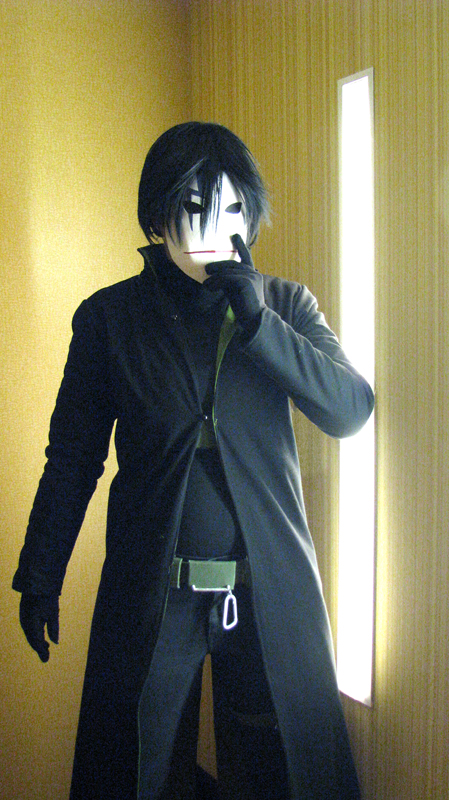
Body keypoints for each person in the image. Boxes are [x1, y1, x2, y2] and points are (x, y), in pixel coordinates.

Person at [13, 121, 374, 800]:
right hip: (154, 591)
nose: (215, 226)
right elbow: (72, 458)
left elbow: (350, 409)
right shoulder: (108, 319)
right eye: (194, 206)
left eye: (234, 208)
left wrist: (259, 323)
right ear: (158, 216)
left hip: (267, 593)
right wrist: (41, 572)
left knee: (281, 770)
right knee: (131, 767)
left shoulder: (284, 305)